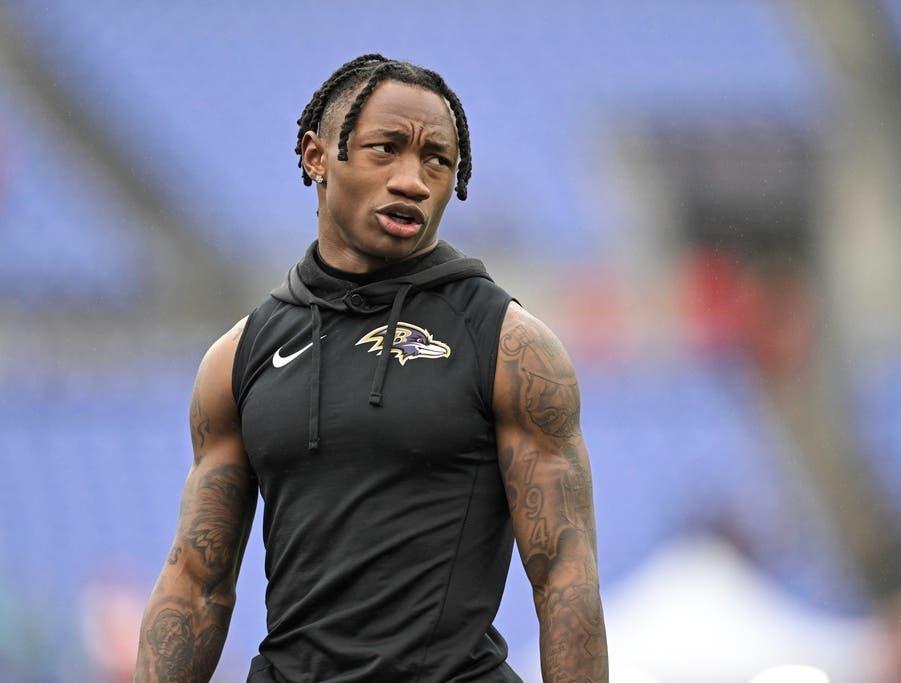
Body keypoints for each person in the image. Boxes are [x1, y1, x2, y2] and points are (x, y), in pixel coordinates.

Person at [133, 54, 607, 683]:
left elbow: (564, 577)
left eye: (437, 160)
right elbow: (196, 583)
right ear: (316, 157)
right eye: (386, 149)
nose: (413, 180)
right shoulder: (238, 356)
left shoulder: (510, 346)